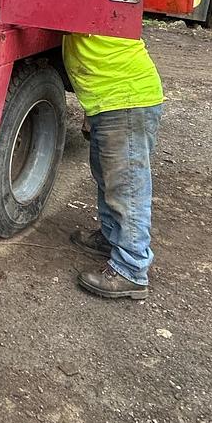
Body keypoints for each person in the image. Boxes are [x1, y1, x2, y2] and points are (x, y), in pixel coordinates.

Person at [62, 33, 164, 300]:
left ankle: (131, 268)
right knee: (108, 178)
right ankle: (111, 237)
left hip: (125, 99)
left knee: (126, 188)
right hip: (110, 100)